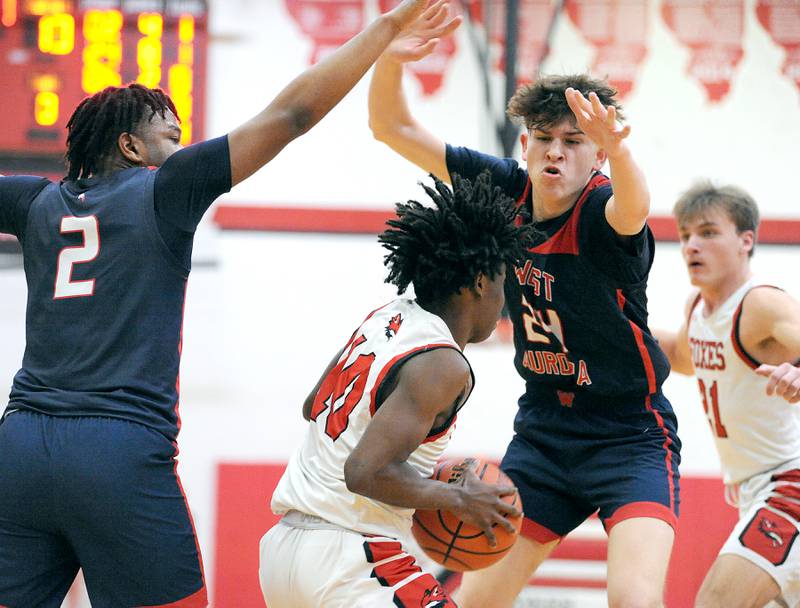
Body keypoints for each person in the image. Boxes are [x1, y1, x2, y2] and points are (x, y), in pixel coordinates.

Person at [0, 1, 434, 605]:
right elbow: (293, 113)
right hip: (116, 446)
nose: (182, 149)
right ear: (131, 146)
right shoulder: (164, 189)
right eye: (170, 137)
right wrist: (384, 26)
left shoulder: (30, 202)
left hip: (19, 446)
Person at [367, 9, 681, 608]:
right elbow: (392, 127)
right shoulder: (502, 187)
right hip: (545, 435)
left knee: (634, 600)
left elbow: (634, 208)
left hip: (630, 433)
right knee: (474, 601)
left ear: (596, 158)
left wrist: (620, 152)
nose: (555, 153)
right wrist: (388, 56)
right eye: (544, 140)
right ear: (525, 144)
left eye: (574, 142)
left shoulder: (603, 207)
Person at [259, 171, 537, 608]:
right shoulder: (444, 362)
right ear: (481, 281)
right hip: (350, 557)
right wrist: (457, 498)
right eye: (503, 282)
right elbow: (364, 472)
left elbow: (315, 404)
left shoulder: (387, 316)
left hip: (283, 553)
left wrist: (417, 471)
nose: (503, 301)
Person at [653, 182, 800, 608]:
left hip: (789, 486)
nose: (691, 246)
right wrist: (616, 329)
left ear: (746, 241)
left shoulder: (760, 305)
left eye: (708, 232)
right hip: (753, 491)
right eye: (684, 236)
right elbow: (683, 356)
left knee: (716, 602)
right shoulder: (698, 308)